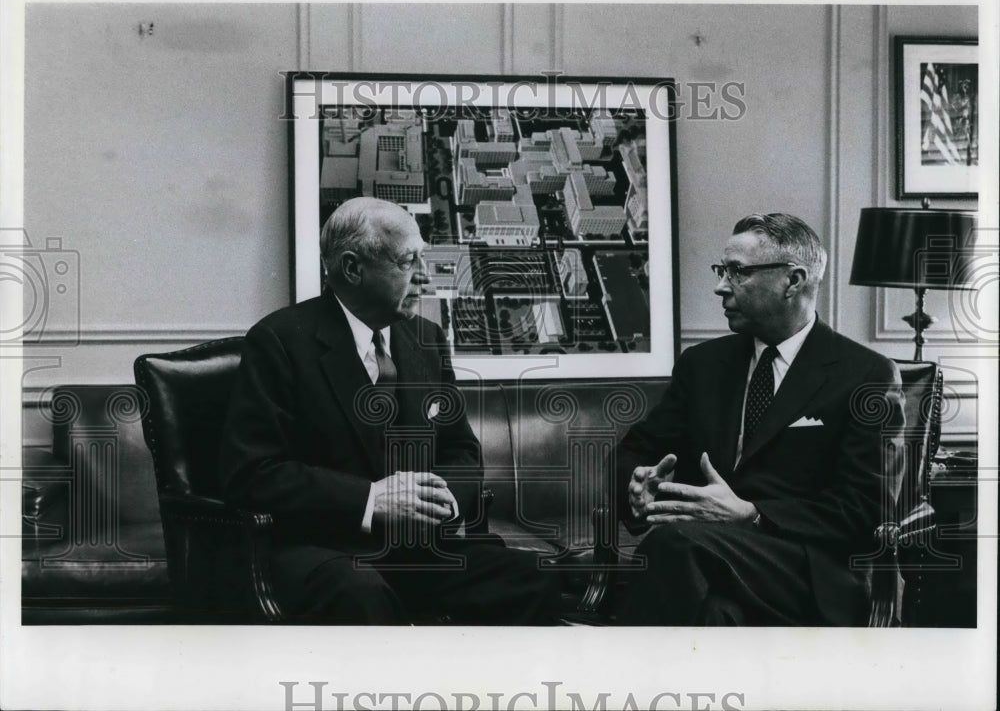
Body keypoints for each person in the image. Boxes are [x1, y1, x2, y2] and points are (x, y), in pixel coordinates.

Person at [220, 197, 559, 624]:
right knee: (362, 596)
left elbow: (462, 453)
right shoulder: (280, 341)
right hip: (325, 549)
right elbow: (252, 473)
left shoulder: (427, 339)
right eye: (407, 262)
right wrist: (369, 499)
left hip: (416, 547)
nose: (424, 276)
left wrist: (441, 500)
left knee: (529, 577)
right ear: (352, 268)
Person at [610, 213, 904, 626]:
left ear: (794, 280)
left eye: (737, 272)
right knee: (715, 615)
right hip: (710, 557)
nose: (719, 286)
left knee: (675, 543)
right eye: (721, 270)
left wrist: (752, 514)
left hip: (804, 566)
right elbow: (635, 451)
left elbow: (868, 509)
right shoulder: (703, 365)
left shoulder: (865, 375)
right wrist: (641, 489)